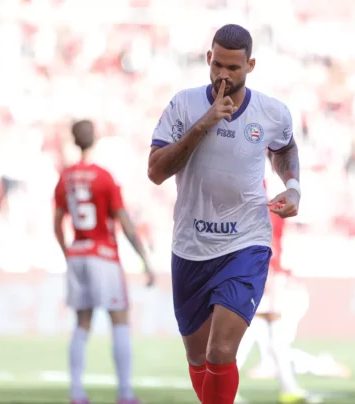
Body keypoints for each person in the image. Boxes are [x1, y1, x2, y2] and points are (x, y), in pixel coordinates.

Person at [147, 24, 301, 404]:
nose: (223, 75)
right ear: (208, 59)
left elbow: (284, 147)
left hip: (245, 243)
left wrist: (293, 185)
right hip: (191, 246)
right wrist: (204, 123)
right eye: (217, 65)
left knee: (220, 352)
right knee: (198, 357)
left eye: (233, 67)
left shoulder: (271, 112)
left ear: (250, 65)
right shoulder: (183, 106)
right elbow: (156, 171)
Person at [54, 120, 155, 404]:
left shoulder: (65, 177)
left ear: (74, 140)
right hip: (103, 255)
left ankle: (76, 392)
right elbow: (125, 222)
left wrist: (68, 253)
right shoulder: (104, 177)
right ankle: (124, 393)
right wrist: (145, 260)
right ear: (95, 139)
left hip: (78, 254)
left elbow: (57, 224)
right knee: (119, 320)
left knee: (82, 323)